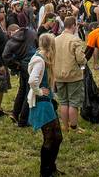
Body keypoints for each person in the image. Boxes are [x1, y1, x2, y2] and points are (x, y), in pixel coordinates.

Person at [28, 32, 62, 177]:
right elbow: (32, 81)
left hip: (47, 102)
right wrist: (40, 92)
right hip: (41, 103)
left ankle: (51, 167)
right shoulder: (40, 60)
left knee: (58, 137)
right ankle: (45, 172)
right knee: (49, 138)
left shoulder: (44, 58)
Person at [52, 15, 86, 131]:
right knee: (73, 102)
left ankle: (65, 126)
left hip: (59, 75)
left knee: (63, 101)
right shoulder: (75, 40)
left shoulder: (55, 39)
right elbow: (81, 59)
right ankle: (74, 127)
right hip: (73, 75)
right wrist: (84, 64)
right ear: (73, 26)